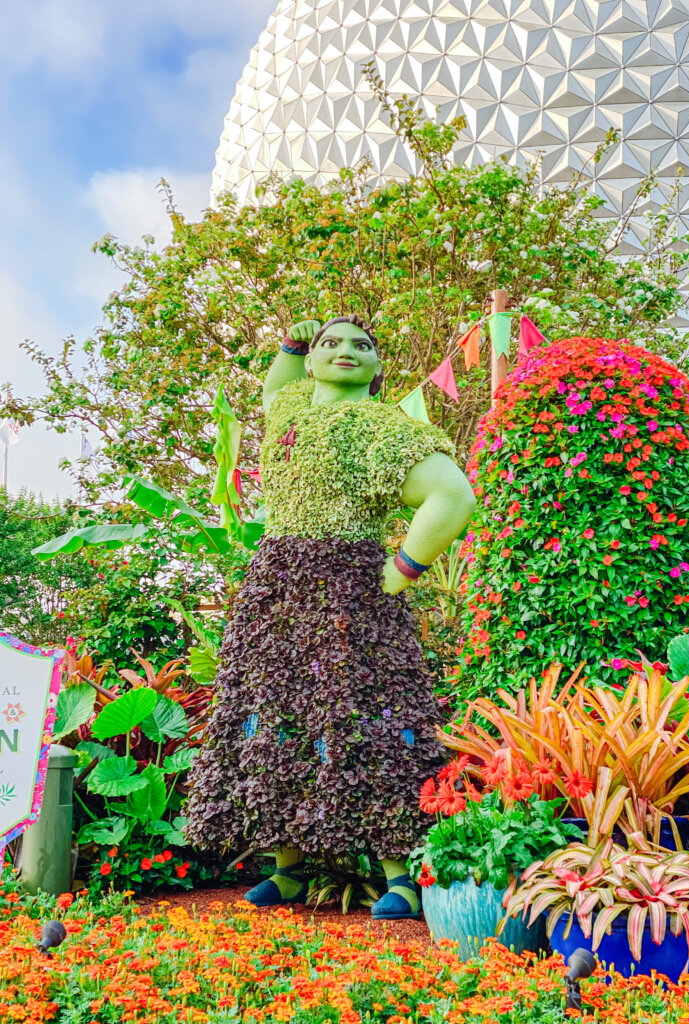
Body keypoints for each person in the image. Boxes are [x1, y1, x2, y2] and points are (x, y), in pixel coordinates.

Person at [185, 315, 475, 918]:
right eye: (331, 343)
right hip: (276, 586)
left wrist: (404, 569)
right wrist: (290, 341)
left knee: (370, 715)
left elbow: (453, 494)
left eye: (362, 346)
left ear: (376, 369)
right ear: (313, 361)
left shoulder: (380, 425)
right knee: (275, 712)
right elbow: (276, 385)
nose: (346, 351)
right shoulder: (289, 409)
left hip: (349, 588)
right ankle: (287, 868)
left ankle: (401, 875)